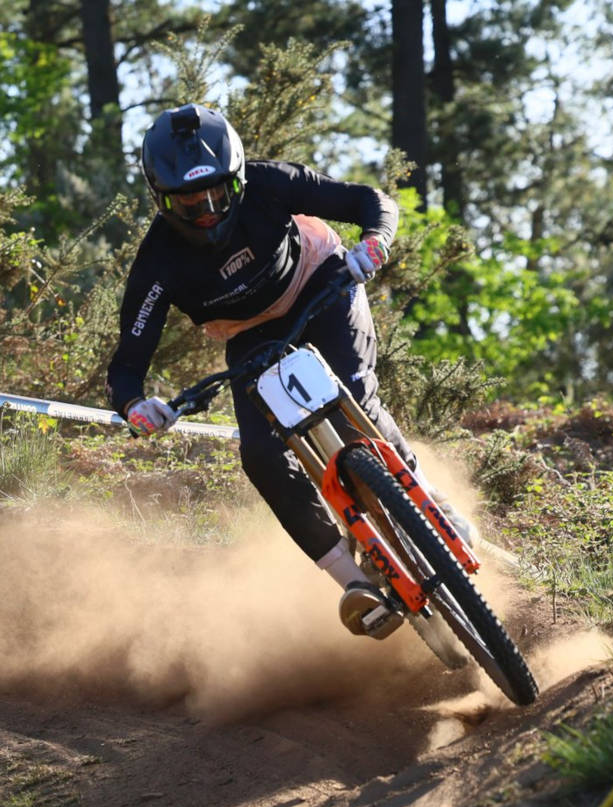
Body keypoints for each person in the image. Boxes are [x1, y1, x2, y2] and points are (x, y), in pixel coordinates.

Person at [106, 102, 473, 639]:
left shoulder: (271, 183)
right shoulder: (157, 261)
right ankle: (353, 582)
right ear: (161, 201)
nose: (208, 212)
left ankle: (427, 502)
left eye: (217, 195)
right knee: (260, 455)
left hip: (320, 284)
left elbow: (372, 202)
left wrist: (374, 243)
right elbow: (126, 367)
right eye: (190, 204)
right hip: (250, 334)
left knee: (352, 399)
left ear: (238, 178)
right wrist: (137, 407)